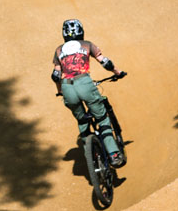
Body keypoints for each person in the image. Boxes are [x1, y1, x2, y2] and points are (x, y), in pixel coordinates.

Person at [52, 18, 125, 167]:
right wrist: (117, 72)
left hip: (67, 87)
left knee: (82, 120)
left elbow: (55, 75)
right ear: (81, 32)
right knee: (102, 119)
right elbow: (105, 62)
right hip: (84, 83)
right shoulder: (87, 45)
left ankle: (90, 156)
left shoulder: (59, 50)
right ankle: (114, 154)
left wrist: (60, 91)